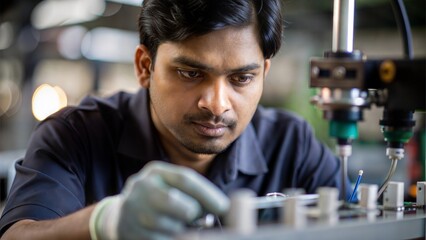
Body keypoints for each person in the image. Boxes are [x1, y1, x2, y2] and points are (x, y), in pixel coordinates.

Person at [0, 0, 349, 239]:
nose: (216, 104)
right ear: (145, 67)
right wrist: (103, 224)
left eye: (241, 78)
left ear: (263, 74)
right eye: (190, 73)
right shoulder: (75, 135)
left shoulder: (292, 145)